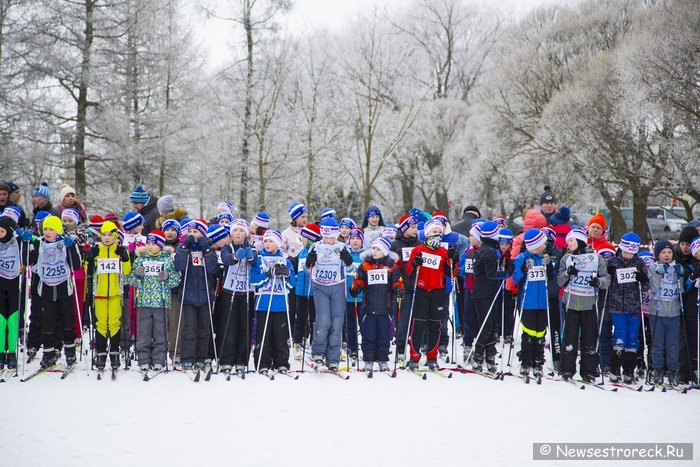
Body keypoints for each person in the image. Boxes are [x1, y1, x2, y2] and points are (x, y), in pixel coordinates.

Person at [557, 228, 610, 382]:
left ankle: (588, 370)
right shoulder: (566, 259)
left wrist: (598, 282)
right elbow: (559, 281)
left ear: (580, 240)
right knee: (570, 338)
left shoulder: (596, 258)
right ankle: (566, 369)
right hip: (571, 303)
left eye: (571, 240)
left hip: (589, 303)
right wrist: (568, 274)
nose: (568, 244)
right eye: (567, 242)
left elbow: (607, 279)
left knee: (589, 338)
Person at [28, 215, 81, 368]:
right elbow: (28, 261)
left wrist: (71, 247)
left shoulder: (65, 243)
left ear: (58, 230)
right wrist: (26, 243)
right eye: (45, 229)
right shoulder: (39, 244)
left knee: (67, 322)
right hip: (46, 289)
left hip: (64, 288)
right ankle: (48, 354)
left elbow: (76, 265)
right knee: (48, 323)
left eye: (51, 229)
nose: (48, 232)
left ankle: (70, 353)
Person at [125, 230, 180, 372]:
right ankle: (143, 359)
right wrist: (137, 275)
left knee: (160, 333)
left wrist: (167, 277)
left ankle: (159, 360)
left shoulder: (167, 260)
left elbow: (175, 280)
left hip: (161, 303)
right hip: (144, 302)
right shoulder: (140, 259)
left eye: (154, 244)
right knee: (143, 333)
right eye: (148, 243)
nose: (150, 246)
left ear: (161, 245)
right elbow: (131, 279)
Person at [305, 217, 354, 371]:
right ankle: (318, 351)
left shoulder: (342, 247)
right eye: (326, 236)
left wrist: (349, 260)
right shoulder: (315, 247)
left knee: (337, 322)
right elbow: (307, 270)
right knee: (324, 320)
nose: (328, 239)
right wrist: (309, 261)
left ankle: (333, 357)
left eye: (331, 236)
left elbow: (351, 269)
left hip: (338, 287)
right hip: (320, 287)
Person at [84, 221, 132, 370]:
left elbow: (127, 271)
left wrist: (124, 258)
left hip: (115, 293)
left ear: (116, 236)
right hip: (99, 293)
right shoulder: (97, 250)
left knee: (114, 323)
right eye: (104, 234)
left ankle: (114, 352)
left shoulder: (120, 250)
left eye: (110, 235)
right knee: (101, 324)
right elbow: (88, 271)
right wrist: (89, 258)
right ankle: (100, 352)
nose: (107, 238)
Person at [405, 218, 451, 371]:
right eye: (433, 232)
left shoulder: (444, 252)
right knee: (418, 325)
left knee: (435, 325)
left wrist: (452, 262)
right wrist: (414, 264)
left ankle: (432, 357)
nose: (437, 235)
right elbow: (408, 271)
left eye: (439, 232)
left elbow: (451, 274)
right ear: (426, 234)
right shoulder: (418, 250)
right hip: (421, 291)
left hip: (437, 292)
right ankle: (414, 357)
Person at [350, 237, 402, 372]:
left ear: (385, 251)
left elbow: (396, 281)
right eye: (373, 248)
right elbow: (360, 282)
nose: (374, 251)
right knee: (368, 335)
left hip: (385, 309)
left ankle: (382, 359)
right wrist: (355, 287)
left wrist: (399, 289)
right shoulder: (365, 265)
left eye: (378, 249)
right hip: (368, 308)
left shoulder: (392, 267)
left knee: (384, 336)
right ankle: (368, 359)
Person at [174, 219, 219, 370]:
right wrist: (184, 247)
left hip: (205, 296)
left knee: (204, 328)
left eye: (196, 232)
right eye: (190, 232)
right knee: (190, 328)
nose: (193, 235)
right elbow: (178, 266)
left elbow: (213, 269)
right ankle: (187, 357)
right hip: (189, 295)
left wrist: (207, 249)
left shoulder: (208, 249)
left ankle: (201, 357)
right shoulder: (185, 249)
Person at [250, 230, 296, 374]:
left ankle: (281, 362)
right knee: (264, 334)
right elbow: (254, 281)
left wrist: (287, 275)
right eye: (266, 241)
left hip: (281, 304)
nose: (268, 244)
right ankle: (262, 362)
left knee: (280, 335)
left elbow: (292, 283)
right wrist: (268, 274)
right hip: (263, 303)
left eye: (271, 241)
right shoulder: (259, 259)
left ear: (278, 243)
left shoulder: (285, 260)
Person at [605, 232, 648, 383]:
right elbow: (605, 280)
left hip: (634, 307)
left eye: (631, 251)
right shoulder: (613, 262)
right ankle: (614, 368)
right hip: (617, 306)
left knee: (632, 338)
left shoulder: (639, 263)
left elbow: (646, 285)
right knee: (620, 336)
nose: (628, 254)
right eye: (625, 251)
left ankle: (629, 370)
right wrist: (609, 274)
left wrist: (642, 278)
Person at [511, 228, 553, 379]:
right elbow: (516, 279)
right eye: (542, 243)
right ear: (535, 245)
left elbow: (550, 278)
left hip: (542, 303)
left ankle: (538, 362)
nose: (545, 245)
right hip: (527, 303)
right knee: (529, 333)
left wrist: (549, 266)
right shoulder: (522, 258)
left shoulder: (543, 258)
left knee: (541, 333)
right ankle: (526, 362)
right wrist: (523, 269)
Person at [470, 221, 512, 372]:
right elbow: (490, 274)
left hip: (489, 293)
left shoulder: (490, 249)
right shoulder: (488, 251)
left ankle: (490, 356)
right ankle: (478, 356)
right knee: (487, 325)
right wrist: (506, 274)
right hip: (484, 293)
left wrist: (507, 265)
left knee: (492, 325)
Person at [218, 219, 257, 374]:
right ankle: (227, 360)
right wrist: (235, 257)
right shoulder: (227, 248)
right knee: (229, 326)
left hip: (246, 292)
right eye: (235, 231)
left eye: (241, 231)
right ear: (231, 233)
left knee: (244, 326)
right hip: (229, 291)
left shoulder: (251, 247)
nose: (238, 234)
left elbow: (255, 259)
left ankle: (242, 360)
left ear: (246, 233)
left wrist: (250, 256)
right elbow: (226, 258)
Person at [648, 239, 683, 386]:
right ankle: (658, 370)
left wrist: (680, 274)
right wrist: (658, 273)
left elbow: (682, 290)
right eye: (663, 252)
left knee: (673, 344)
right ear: (657, 255)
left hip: (674, 312)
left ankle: (673, 370)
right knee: (658, 344)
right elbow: (654, 288)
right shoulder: (653, 267)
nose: (667, 255)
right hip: (658, 312)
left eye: (669, 252)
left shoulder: (676, 267)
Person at [391, 214, 422, 363]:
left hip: (418, 285)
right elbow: (392, 267)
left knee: (417, 319)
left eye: (416, 227)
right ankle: (401, 347)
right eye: (413, 227)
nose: (416, 229)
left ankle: (416, 348)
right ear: (404, 229)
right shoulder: (395, 245)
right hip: (402, 286)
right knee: (402, 320)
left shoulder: (420, 244)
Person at [291, 223, 321, 360]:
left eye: (303, 237)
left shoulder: (317, 251)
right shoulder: (302, 252)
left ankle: (315, 343)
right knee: (300, 317)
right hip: (301, 290)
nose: (301, 239)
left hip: (314, 291)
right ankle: (297, 342)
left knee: (314, 318)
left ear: (309, 238)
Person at [0, 216, 23, 370]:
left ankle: (12, 353)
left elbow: (35, 240)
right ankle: (1, 352)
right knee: (1, 322)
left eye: (1, 231)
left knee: (13, 321)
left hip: (14, 285)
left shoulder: (18, 242)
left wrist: (25, 236)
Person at [344, 227, 365, 364]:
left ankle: (366, 347)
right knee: (350, 323)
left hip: (362, 296)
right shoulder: (346, 254)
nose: (355, 241)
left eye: (358, 238)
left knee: (364, 324)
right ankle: (352, 348)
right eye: (353, 238)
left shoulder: (366, 255)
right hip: (348, 296)